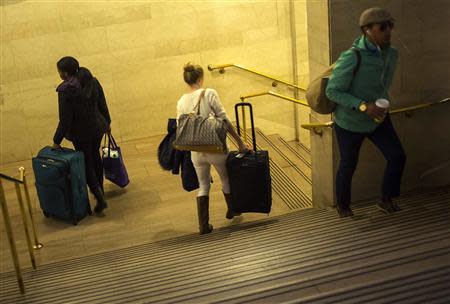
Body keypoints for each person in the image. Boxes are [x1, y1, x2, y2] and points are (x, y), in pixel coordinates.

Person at [326, 8, 406, 218]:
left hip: (378, 119)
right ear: (367, 30)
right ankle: (343, 207)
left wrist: (381, 104)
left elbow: (382, 85)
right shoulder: (352, 57)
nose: (389, 31)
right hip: (350, 122)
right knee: (348, 164)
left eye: (390, 25)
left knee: (397, 156)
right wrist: (363, 106)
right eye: (382, 27)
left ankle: (385, 199)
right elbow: (332, 91)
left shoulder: (392, 54)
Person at [177, 63, 249, 234]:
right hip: (215, 147)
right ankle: (232, 210)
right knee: (225, 179)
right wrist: (240, 142)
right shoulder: (209, 93)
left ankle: (204, 225)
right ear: (201, 78)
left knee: (203, 185)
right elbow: (224, 120)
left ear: (187, 81)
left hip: (195, 151)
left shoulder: (181, 101)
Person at [52, 56, 111, 214]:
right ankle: (101, 191)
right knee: (95, 156)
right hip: (97, 127)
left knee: (86, 162)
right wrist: (108, 123)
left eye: (59, 71)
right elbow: (102, 104)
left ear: (64, 73)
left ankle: (98, 196)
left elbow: (65, 120)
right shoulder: (92, 81)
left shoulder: (65, 90)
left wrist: (56, 140)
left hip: (80, 133)